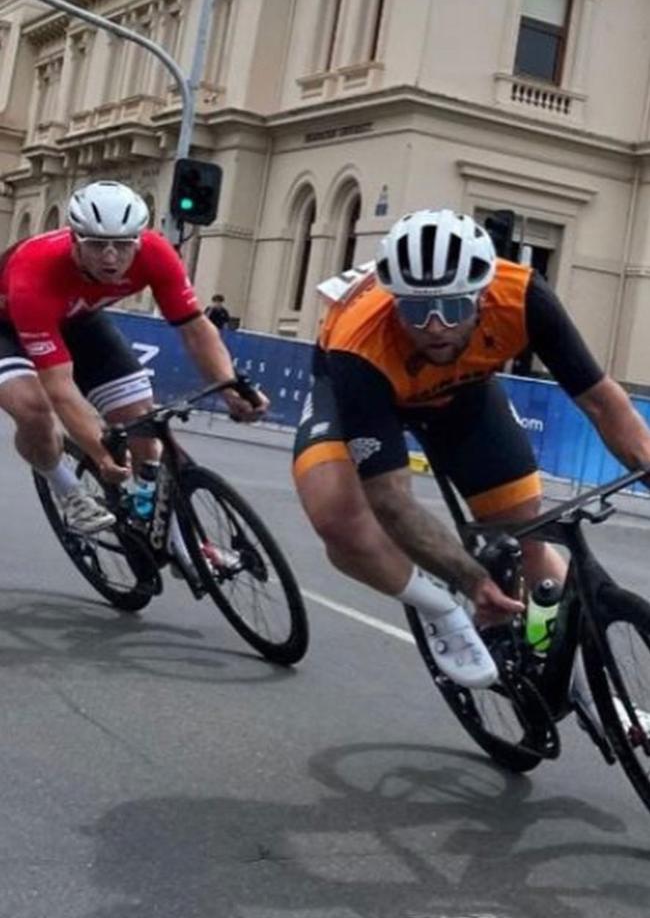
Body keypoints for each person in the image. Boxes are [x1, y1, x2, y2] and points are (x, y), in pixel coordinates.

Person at [293, 209, 650, 707]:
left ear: (482, 294)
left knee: (527, 528)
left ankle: (600, 688)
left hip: (460, 395)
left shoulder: (524, 295)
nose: (436, 326)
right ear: (394, 303)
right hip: (363, 389)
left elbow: (601, 400)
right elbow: (392, 501)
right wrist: (470, 579)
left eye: (454, 306)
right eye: (417, 311)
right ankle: (440, 609)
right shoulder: (360, 343)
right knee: (338, 519)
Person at [0, 180, 268, 538]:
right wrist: (99, 450)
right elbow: (60, 388)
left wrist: (230, 385)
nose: (111, 258)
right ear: (74, 240)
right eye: (97, 245)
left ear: (139, 241)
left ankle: (173, 538)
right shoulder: (34, 273)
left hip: (79, 320)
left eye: (123, 246)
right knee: (35, 411)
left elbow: (195, 329)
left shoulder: (155, 254)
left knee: (142, 421)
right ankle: (67, 490)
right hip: (8, 327)